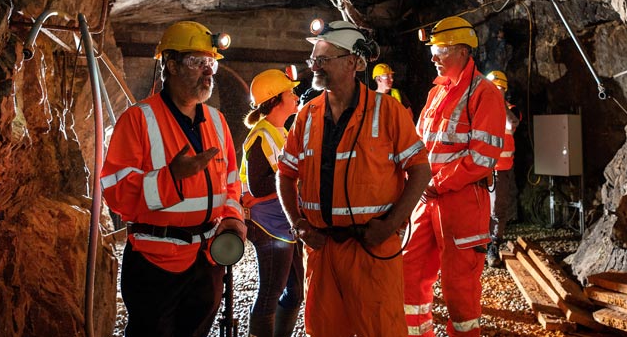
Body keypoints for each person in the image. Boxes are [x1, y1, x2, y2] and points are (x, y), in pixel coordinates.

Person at [276, 20, 431, 337]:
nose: (315, 66)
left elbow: (420, 170)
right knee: (324, 329)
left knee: (381, 329)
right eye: (313, 60)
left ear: (353, 62)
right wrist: (298, 223)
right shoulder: (306, 116)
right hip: (322, 251)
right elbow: (286, 174)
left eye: (323, 59)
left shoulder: (388, 111)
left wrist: (389, 225)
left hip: (371, 250)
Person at [101, 21, 245, 337]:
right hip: (156, 263)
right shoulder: (138, 120)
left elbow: (232, 183)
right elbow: (115, 192)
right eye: (197, 63)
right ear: (171, 64)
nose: (207, 72)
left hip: (207, 262)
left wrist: (233, 219)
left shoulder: (217, 122)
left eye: (211, 64)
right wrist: (171, 178)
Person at [404, 16, 506, 337]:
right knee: (409, 272)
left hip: (461, 203)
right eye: (432, 51)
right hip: (426, 200)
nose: (433, 57)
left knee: (458, 287)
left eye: (440, 51)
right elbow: (421, 143)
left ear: (462, 51)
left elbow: (482, 158)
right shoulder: (436, 94)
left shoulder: (484, 94)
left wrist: (436, 183)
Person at [241, 69, 303, 337]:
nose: (296, 96)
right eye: (291, 93)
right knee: (269, 294)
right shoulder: (261, 135)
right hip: (268, 224)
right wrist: (295, 172)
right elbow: (258, 185)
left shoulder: (280, 131)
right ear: (276, 99)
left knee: (295, 293)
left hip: (284, 222)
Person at [484, 71, 521, 269]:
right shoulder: (481, 109)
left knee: (497, 210)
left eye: (499, 89)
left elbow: (512, 124)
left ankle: (493, 246)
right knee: (479, 209)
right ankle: (480, 246)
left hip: (502, 169)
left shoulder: (511, 110)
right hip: (482, 169)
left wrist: (499, 102)